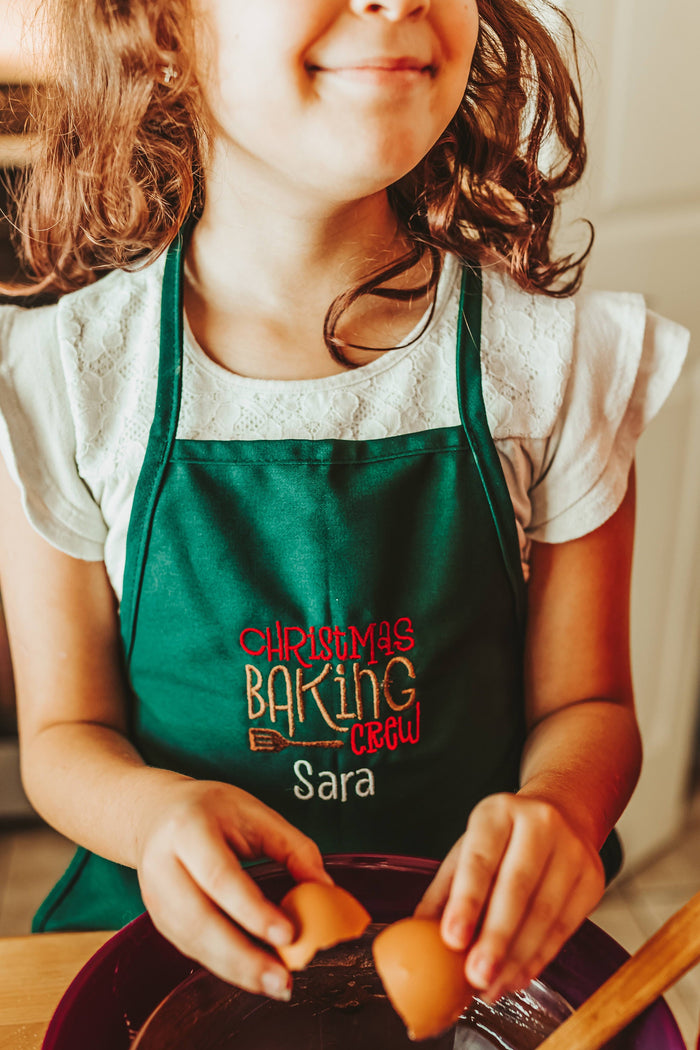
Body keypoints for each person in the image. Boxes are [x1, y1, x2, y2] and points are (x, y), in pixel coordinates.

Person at [0, 0, 689, 1010]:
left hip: (471, 965)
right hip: (163, 956)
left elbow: (588, 709)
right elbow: (65, 736)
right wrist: (157, 821)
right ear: (159, 25)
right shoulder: (66, 379)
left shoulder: (556, 366)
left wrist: (560, 810)